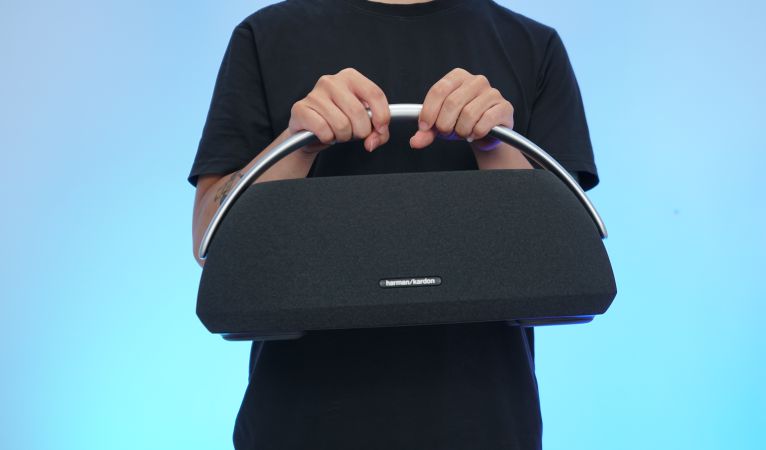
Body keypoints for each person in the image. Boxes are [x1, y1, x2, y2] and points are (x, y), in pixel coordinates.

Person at [187, 0, 599, 448]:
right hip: (295, 428)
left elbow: (568, 263)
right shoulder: (264, 37)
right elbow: (212, 245)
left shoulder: (533, 46)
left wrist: (496, 145)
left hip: (488, 428)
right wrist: (295, 142)